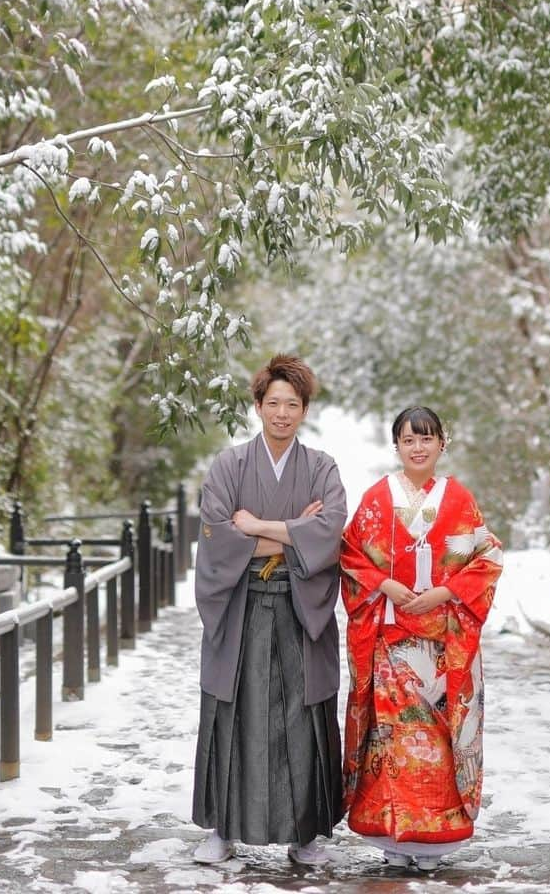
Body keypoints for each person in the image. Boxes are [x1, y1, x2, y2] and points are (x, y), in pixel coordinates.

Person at [191, 354, 347, 866]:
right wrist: (292, 533)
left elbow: (330, 536)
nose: (283, 413)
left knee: (300, 718)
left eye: (293, 404)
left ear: (304, 411)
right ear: (258, 406)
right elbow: (217, 541)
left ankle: (304, 835)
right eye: (273, 402)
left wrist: (255, 526)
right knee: (234, 713)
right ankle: (222, 829)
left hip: (301, 615)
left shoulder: (321, 466)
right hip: (241, 610)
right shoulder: (229, 465)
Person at [340, 406, 503, 872]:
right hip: (391, 642)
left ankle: (434, 839)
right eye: (408, 439)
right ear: (396, 445)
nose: (417, 447)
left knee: (437, 740)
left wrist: (445, 591)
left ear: (441, 444)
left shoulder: (458, 499)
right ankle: (393, 835)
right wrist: (387, 585)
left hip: (441, 647)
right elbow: (351, 554)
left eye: (426, 439)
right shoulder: (377, 498)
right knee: (392, 742)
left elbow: (487, 555)